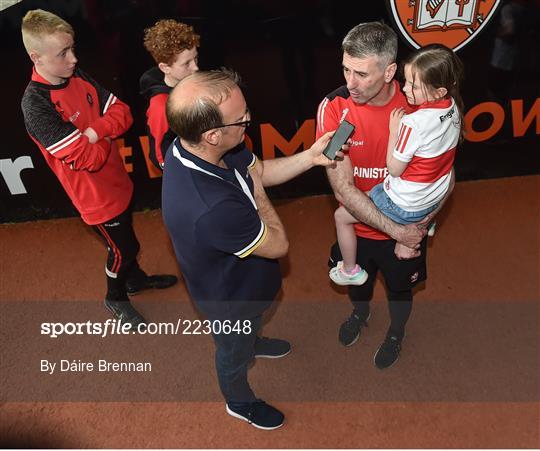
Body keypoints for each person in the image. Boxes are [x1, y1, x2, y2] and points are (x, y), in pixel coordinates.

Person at [162, 69, 337, 430]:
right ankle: (239, 402)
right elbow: (278, 245)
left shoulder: (195, 144)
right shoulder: (212, 210)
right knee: (232, 353)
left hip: (245, 280)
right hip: (230, 300)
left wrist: (311, 157)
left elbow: (259, 171)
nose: (249, 123)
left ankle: (252, 339)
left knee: (249, 328)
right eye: (242, 119)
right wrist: (257, 193)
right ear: (212, 134)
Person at [20, 9, 178, 329]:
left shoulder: (74, 75)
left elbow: (123, 113)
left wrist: (92, 133)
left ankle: (134, 280)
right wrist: (102, 132)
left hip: (118, 180)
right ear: (36, 57)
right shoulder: (36, 105)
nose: (74, 59)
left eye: (73, 48)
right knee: (123, 247)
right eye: (63, 53)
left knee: (127, 239)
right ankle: (115, 297)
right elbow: (87, 159)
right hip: (95, 198)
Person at [317, 22, 455, 369]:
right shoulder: (335, 108)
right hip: (368, 230)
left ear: (390, 70)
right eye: (346, 69)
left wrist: (422, 224)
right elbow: (342, 188)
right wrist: (401, 233)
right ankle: (360, 314)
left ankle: (395, 332)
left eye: (362, 73)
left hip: (408, 228)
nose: (350, 83)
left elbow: (446, 175)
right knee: (358, 286)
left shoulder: (420, 108)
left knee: (400, 292)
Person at [330, 44, 463, 287]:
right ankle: (426, 220)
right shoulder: (452, 106)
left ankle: (349, 271)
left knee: (342, 215)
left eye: (413, 84)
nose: (405, 88)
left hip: (405, 205)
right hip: (433, 195)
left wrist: (394, 131)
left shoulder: (412, 122)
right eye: (346, 70)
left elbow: (394, 169)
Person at [140, 19, 200, 171]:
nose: (196, 67)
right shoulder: (161, 106)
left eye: (196, 58)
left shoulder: (193, 81)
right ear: (165, 68)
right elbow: (159, 156)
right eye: (187, 63)